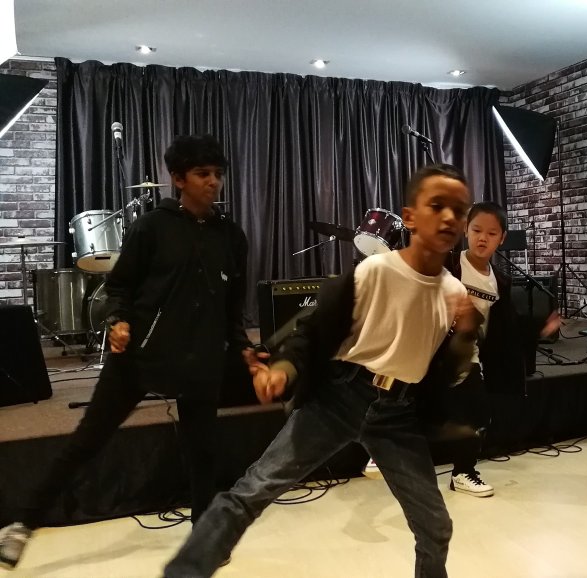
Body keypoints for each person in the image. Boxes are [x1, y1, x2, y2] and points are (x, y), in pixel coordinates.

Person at [163, 163, 480, 578]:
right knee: (254, 490)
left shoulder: (453, 291)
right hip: (343, 397)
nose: (449, 217)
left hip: (398, 414)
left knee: (436, 525)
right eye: (437, 205)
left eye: (459, 210)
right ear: (409, 217)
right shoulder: (376, 271)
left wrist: (465, 333)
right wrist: (285, 369)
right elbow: (314, 331)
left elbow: (447, 373)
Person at [0, 135, 255, 570]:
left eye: (218, 174)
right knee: (86, 442)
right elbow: (118, 287)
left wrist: (244, 347)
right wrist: (118, 321)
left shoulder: (231, 236)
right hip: (139, 358)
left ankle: (204, 536)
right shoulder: (151, 228)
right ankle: (23, 524)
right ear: (178, 179)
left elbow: (234, 306)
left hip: (201, 361)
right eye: (202, 174)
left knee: (203, 452)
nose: (213, 182)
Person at [363, 201, 560, 497]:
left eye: (491, 233)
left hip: (467, 356)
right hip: (426, 349)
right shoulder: (448, 263)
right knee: (401, 398)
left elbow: (507, 324)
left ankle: (463, 473)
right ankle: (382, 448)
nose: (483, 238)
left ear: (502, 238)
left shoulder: (499, 281)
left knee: (477, 415)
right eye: (477, 230)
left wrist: (539, 328)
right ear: (466, 230)